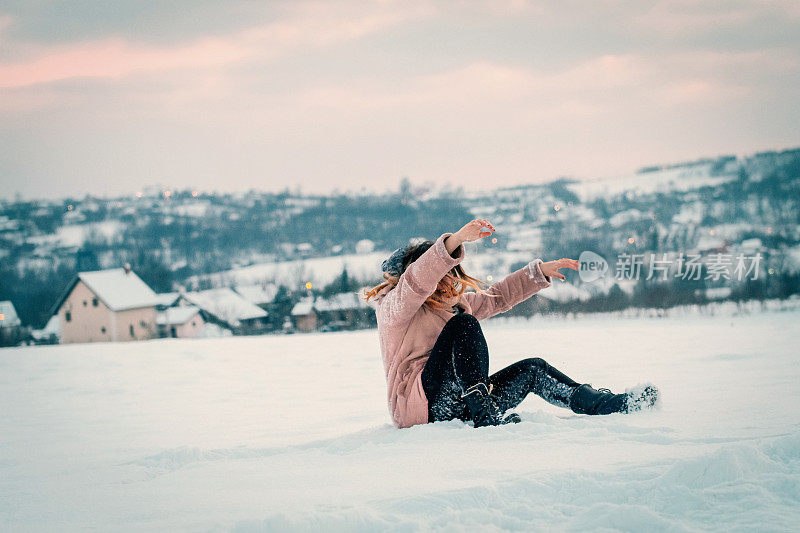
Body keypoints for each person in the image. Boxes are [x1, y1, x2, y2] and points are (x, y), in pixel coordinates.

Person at [365, 219, 659, 429]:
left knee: (533, 368)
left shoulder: (457, 305)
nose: (447, 283)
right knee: (464, 326)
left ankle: (605, 405)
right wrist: (453, 242)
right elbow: (416, 282)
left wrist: (537, 272)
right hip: (421, 407)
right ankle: (484, 415)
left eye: (451, 275)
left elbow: (497, 297)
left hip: (463, 403)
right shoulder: (396, 310)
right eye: (440, 277)